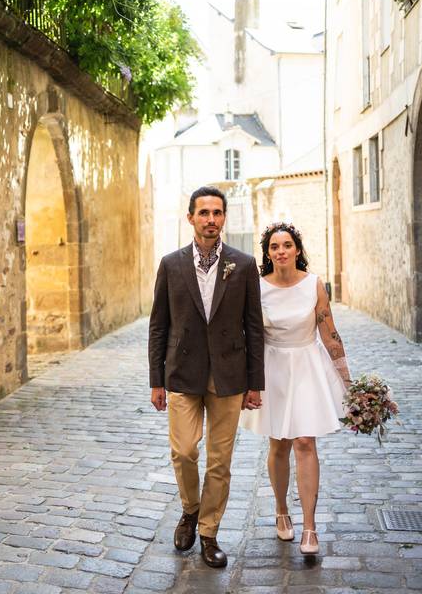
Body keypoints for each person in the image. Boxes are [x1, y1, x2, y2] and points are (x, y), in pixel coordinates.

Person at [148, 186, 265, 568]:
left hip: (229, 376)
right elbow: (158, 327)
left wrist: (255, 382)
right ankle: (190, 508)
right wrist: (156, 380)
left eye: (217, 213)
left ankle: (209, 532)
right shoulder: (171, 264)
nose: (211, 219)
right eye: (204, 213)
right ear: (191, 218)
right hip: (183, 373)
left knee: (220, 460)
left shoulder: (244, 265)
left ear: (223, 218)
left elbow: (254, 327)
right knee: (183, 451)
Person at [238, 222, 351, 556]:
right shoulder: (256, 287)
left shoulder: (314, 284)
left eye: (287, 245)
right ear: (268, 253)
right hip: (272, 369)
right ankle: (280, 509)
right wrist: (248, 380)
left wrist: (349, 380)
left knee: (305, 441)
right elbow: (249, 336)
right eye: (274, 247)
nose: (281, 251)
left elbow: (329, 332)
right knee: (279, 443)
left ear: (297, 250)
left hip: (306, 365)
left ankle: (310, 526)